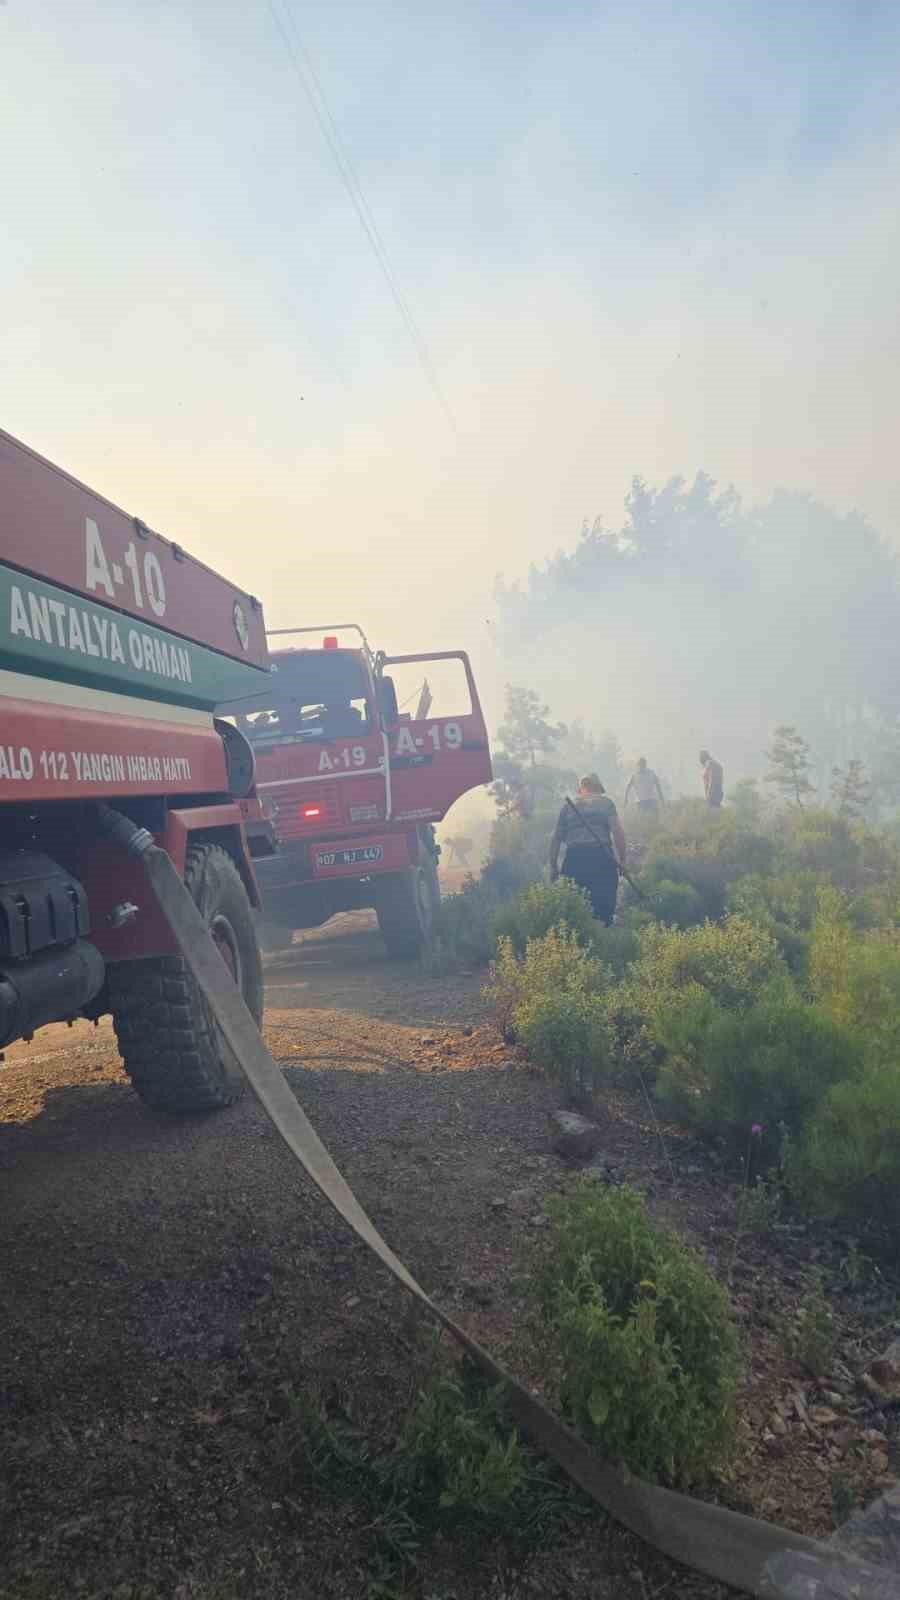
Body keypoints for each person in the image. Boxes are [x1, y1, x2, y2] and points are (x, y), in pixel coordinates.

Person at [548, 773, 627, 926]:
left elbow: (556, 838)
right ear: (598, 788)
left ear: (581, 789)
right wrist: (623, 861)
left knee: (573, 912)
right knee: (604, 910)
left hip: (574, 860)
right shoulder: (606, 803)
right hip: (601, 857)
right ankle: (605, 933)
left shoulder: (568, 807)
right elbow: (617, 831)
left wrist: (553, 866)